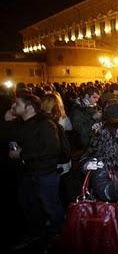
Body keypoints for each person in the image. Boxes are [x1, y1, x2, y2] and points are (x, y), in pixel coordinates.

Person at [5, 93, 64, 249]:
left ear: (29, 107)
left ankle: (62, 236)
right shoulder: (19, 123)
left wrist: (22, 154)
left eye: (17, 104)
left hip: (45, 174)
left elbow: (52, 149)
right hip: (27, 173)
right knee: (29, 206)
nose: (13, 107)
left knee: (51, 206)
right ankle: (37, 234)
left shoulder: (45, 124)